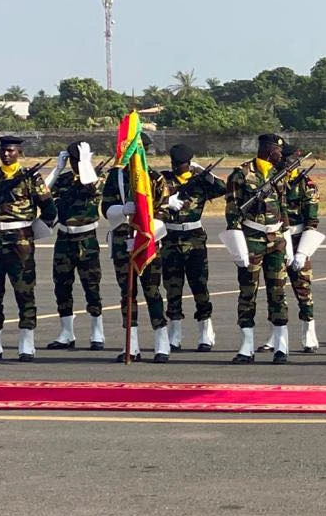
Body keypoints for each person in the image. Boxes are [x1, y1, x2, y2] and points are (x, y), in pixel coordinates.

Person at [0, 135, 57, 361]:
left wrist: (35, 231)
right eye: (3, 150)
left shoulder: (31, 178)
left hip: (20, 240)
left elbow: (49, 210)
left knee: (24, 291)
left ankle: (26, 342)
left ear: (19, 152)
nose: (6, 154)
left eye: (11, 150)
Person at [101, 132, 170, 363]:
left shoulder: (154, 178)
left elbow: (164, 211)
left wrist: (145, 232)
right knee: (127, 294)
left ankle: (162, 344)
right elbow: (106, 208)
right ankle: (132, 345)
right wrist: (123, 210)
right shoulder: (116, 178)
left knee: (152, 293)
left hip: (148, 242)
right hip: (122, 241)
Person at [222, 133, 290, 364]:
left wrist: (287, 240)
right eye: (278, 150)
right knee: (248, 293)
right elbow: (232, 212)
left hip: (276, 239)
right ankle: (246, 345)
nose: (281, 154)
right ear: (268, 149)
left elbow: (284, 208)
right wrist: (237, 243)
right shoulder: (240, 174)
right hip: (251, 238)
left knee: (278, 292)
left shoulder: (278, 174)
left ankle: (281, 345)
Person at [159, 144, 227, 352]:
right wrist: (165, 200)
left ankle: (205, 331)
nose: (177, 167)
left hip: (195, 238)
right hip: (170, 237)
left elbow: (223, 189)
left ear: (189, 163)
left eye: (181, 164)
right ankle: (175, 333)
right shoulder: (163, 180)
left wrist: (206, 175)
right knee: (172, 288)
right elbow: (148, 196)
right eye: (174, 163)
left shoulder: (198, 182)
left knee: (199, 286)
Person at [45, 141, 105, 351]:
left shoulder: (96, 178)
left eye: (76, 160)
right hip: (64, 239)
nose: (74, 164)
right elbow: (43, 192)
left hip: (86, 239)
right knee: (62, 286)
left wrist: (86, 162)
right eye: (73, 160)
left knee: (92, 286)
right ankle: (66, 332)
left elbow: (92, 186)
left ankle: (97, 330)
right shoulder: (64, 180)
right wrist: (58, 168)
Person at [272, 143, 321, 353]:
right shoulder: (273, 181)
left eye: (288, 160)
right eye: (282, 160)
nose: (284, 163)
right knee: (276, 290)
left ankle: (309, 333)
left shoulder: (306, 185)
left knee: (303, 289)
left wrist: (302, 252)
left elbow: (312, 220)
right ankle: (275, 336)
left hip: (298, 238)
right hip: (276, 239)